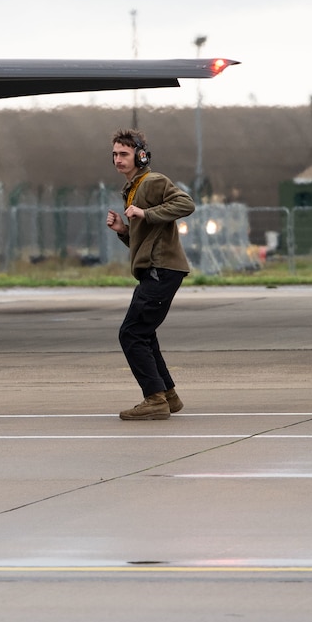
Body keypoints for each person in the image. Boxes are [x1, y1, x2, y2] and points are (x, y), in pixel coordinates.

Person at [104, 129, 196, 420]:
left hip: (162, 268)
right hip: (155, 269)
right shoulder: (132, 188)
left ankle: (154, 399)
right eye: (115, 154)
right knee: (143, 334)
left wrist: (146, 214)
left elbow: (186, 204)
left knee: (131, 334)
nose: (118, 159)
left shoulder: (152, 181)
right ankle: (167, 395)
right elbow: (143, 239)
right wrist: (123, 231)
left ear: (140, 156)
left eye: (125, 154)